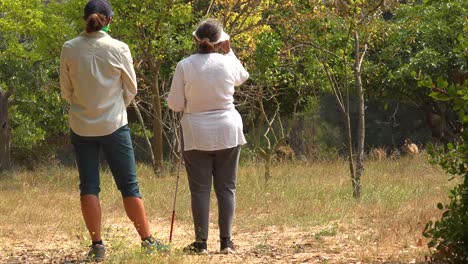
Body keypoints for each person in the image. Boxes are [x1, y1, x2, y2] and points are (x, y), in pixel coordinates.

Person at [59, 0, 167, 261]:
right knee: (129, 185)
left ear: (85, 18)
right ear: (108, 20)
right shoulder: (119, 48)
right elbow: (131, 89)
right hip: (114, 125)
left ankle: (97, 246)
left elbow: (66, 91)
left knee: (89, 186)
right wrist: (115, 108)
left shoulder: (69, 48)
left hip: (82, 126)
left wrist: (84, 106)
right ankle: (147, 240)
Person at [167, 18, 249, 255]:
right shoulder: (226, 62)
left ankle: (201, 243)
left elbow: (174, 104)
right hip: (228, 130)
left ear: (195, 40)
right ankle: (226, 242)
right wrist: (229, 50)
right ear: (220, 41)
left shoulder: (184, 65)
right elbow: (242, 76)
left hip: (196, 133)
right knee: (227, 188)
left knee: (200, 190)